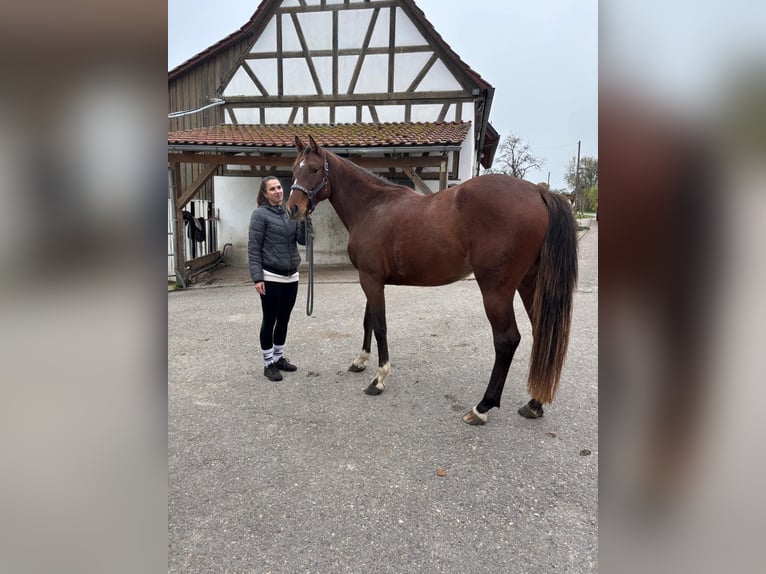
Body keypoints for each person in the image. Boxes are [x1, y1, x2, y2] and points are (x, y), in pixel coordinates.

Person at [248, 176, 306, 381]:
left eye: (279, 187)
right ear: (265, 194)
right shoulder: (259, 215)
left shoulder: (290, 212)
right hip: (271, 276)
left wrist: (305, 219)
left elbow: (303, 240)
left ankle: (279, 357)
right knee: (270, 320)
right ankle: (268, 363)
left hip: (292, 276)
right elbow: (254, 249)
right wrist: (257, 278)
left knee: (284, 319)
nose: (278, 191)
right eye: (272, 189)